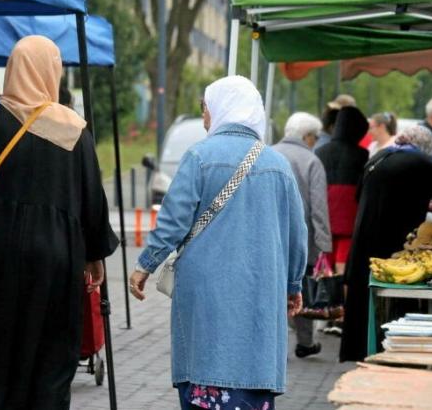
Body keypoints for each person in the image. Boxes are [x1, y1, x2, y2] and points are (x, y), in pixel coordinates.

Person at [0, 36, 118, 410]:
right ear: (52, 71)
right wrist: (95, 256)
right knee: (52, 357)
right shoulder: (73, 130)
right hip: (56, 258)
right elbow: (92, 203)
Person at [129, 75, 308, 410]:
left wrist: (146, 265)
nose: (204, 118)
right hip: (261, 291)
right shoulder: (279, 165)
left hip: (207, 296)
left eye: (206, 109)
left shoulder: (199, 157)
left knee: (205, 366)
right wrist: (294, 284)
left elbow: (173, 220)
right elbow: (297, 235)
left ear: (222, 109)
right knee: (253, 378)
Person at [339, 126, 432, 362]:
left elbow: (358, 196)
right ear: (425, 148)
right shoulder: (426, 165)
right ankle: (393, 351)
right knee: (394, 300)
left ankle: (360, 350)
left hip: (364, 237)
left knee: (364, 300)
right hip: (397, 242)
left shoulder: (378, 158)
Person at [273, 112, 332, 359]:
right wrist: (324, 245)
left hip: (270, 236)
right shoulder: (311, 161)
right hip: (301, 239)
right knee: (303, 290)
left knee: (273, 289)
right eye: (315, 137)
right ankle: (305, 342)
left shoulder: (268, 154)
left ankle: (273, 341)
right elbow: (318, 208)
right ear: (307, 136)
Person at [315, 106, 369, 275]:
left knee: (326, 258)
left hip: (326, 208)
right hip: (350, 210)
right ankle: (343, 299)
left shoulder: (320, 151)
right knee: (344, 259)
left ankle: (326, 299)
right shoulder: (362, 154)